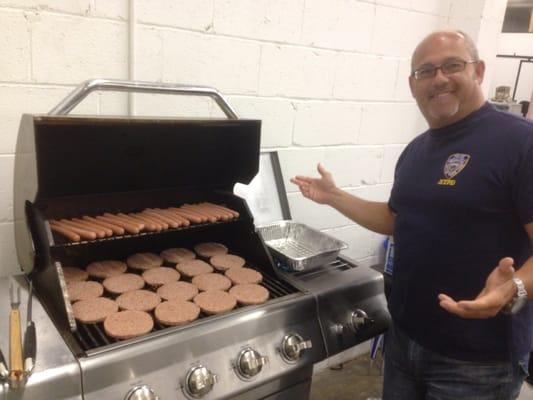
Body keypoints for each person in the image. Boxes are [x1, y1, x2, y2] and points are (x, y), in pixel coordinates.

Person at [291, 30, 533, 399]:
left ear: (479, 71)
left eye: (452, 65)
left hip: (478, 361)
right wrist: (334, 197)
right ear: (412, 84)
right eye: (426, 71)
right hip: (405, 339)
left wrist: (513, 288)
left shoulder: (521, 143)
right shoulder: (416, 151)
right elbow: (396, 220)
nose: (439, 78)